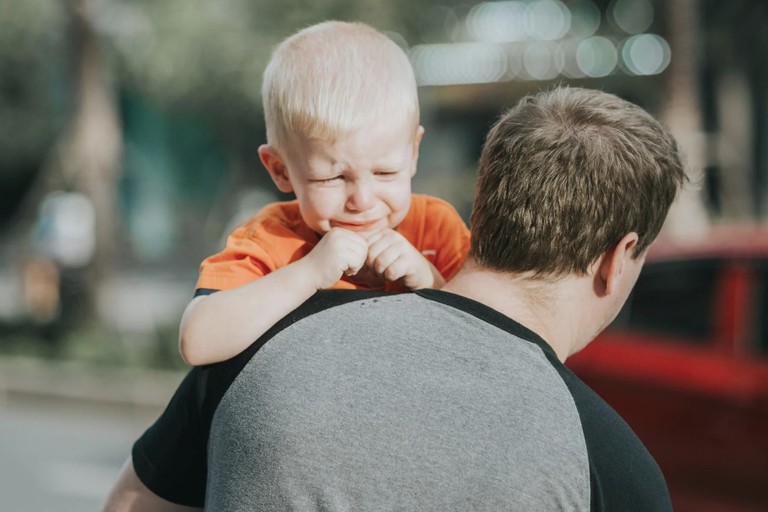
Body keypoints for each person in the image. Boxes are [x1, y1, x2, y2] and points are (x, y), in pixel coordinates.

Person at [102, 86, 687, 511]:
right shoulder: (614, 470)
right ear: (617, 257)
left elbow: (130, 504)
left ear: (482, 205)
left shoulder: (259, 347)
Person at [178, 20, 470, 366]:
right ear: (280, 170)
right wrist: (308, 272)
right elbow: (198, 342)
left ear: (414, 153)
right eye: (332, 178)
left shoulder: (436, 228)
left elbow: (490, 341)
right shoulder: (271, 239)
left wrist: (430, 281)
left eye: (385, 172)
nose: (362, 200)